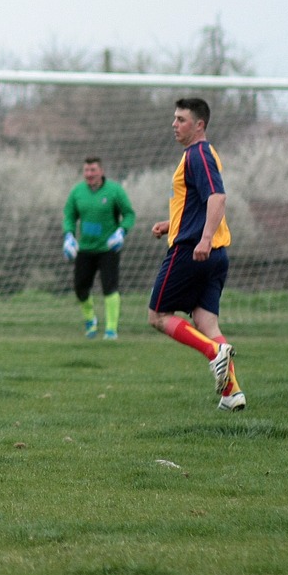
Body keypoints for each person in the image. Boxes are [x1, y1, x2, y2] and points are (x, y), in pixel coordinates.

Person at [147, 97, 244, 411]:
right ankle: (232, 392)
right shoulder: (205, 153)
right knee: (207, 322)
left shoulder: (197, 153)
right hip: (215, 255)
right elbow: (197, 203)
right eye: (174, 119)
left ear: (199, 125)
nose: (174, 124)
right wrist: (170, 224)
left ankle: (213, 354)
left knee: (158, 316)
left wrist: (202, 239)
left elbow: (217, 197)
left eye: (181, 119)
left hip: (193, 252)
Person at [62, 157, 136, 340]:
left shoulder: (114, 191)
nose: (89, 174)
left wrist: (121, 231)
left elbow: (129, 214)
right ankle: (90, 321)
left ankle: (111, 330)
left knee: (110, 288)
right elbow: (69, 216)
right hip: (84, 249)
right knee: (80, 289)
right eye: (86, 170)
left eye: (93, 170)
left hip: (108, 249)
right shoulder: (77, 192)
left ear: (101, 171)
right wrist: (69, 235)